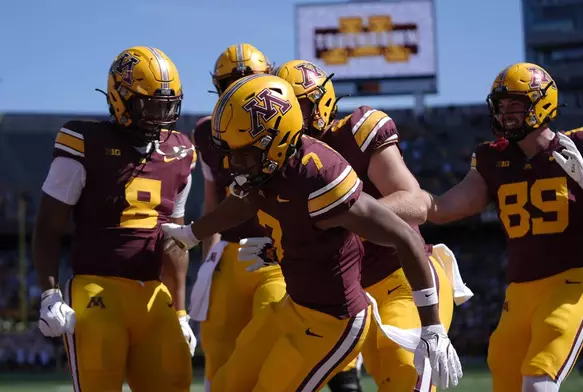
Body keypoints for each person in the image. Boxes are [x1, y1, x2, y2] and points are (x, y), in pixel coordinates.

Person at [162, 74, 462, 392]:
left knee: (399, 377)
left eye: (244, 154)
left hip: (332, 320)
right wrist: (193, 233)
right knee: (227, 384)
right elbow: (244, 203)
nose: (234, 164)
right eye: (231, 153)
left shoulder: (319, 175)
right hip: (295, 305)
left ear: (276, 140)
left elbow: (405, 235)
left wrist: (432, 325)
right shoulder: (267, 167)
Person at [424, 62, 583, 392]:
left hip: (570, 282)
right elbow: (443, 208)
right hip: (519, 292)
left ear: (542, 102)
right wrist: (395, 204)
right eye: (501, 105)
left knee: (539, 380)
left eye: (516, 104)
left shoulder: (580, 144)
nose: (506, 113)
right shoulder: (491, 158)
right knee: (506, 377)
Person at [273, 59, 469, 392]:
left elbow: (416, 202)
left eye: (300, 105)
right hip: (350, 295)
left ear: (321, 102)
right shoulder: (285, 162)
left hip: (403, 278)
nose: (291, 117)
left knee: (403, 373)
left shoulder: (357, 131)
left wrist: (352, 221)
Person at [32, 46, 196, 392]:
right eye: (150, 107)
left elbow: (176, 240)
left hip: (153, 293)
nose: (160, 118)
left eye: (167, 107)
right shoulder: (83, 141)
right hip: (98, 287)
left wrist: (181, 313)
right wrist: (50, 293)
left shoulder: (181, 151)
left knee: (175, 382)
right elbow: (48, 226)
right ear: (120, 98)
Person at [189, 43, 287, 391]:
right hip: (229, 252)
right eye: (231, 81)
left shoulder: (286, 121)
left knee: (272, 340)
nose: (238, 87)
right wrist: (207, 262)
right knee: (218, 347)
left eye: (247, 79)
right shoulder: (206, 132)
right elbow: (213, 199)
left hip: (276, 253)